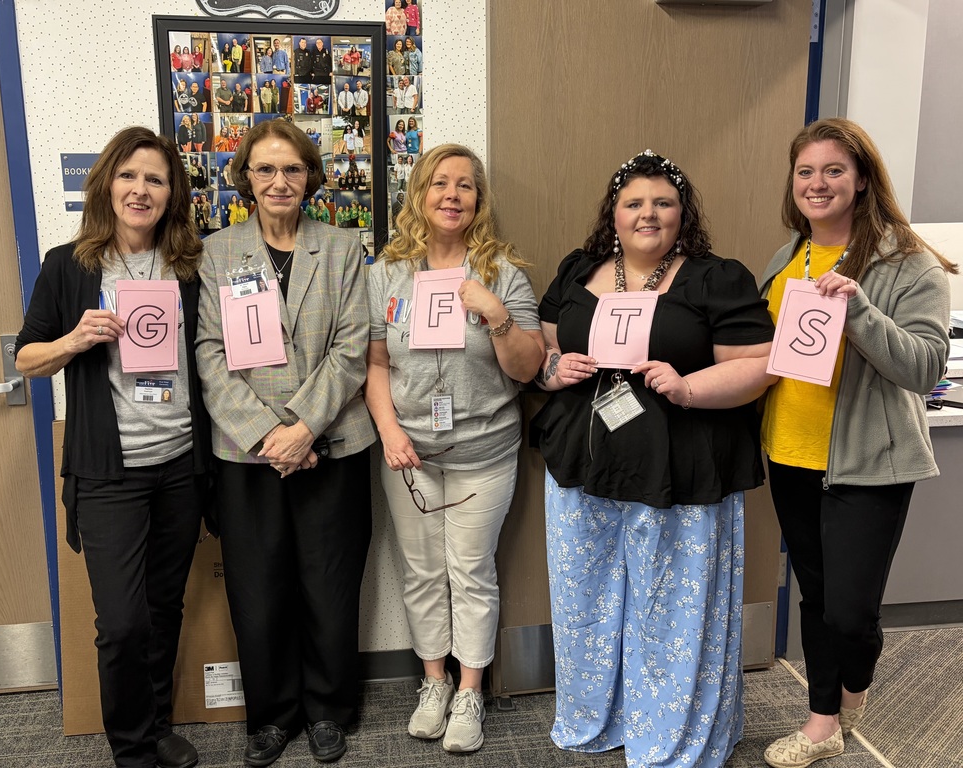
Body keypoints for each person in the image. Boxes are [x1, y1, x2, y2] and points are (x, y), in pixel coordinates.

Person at [532, 149, 776, 766]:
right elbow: (543, 353)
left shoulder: (715, 277)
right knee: (586, 599)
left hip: (683, 469)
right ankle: (599, 717)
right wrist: (556, 372)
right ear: (612, 215)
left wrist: (689, 385)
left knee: (672, 606)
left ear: (682, 213)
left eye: (663, 202)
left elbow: (759, 368)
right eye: (634, 203)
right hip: (583, 467)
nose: (649, 214)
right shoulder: (579, 271)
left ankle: (667, 734)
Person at [759, 119, 955, 767]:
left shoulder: (906, 261)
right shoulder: (786, 257)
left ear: (863, 178)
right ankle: (821, 723)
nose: (818, 184)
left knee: (850, 611)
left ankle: (854, 687)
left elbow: (925, 368)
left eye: (834, 170)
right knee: (816, 597)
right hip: (789, 453)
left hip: (869, 465)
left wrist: (860, 310)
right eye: (806, 172)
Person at [14, 126, 210, 768]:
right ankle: (131, 750)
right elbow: (27, 357)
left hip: (180, 463)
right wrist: (74, 340)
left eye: (155, 179)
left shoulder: (191, 266)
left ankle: (155, 726)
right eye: (129, 176)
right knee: (122, 622)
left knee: (163, 605)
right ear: (106, 184)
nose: (141, 189)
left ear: (170, 193)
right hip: (108, 472)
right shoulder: (67, 267)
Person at [196, 118, 374, 766]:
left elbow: (353, 348)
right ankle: (271, 716)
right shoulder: (218, 252)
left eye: (292, 169)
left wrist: (303, 427)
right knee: (257, 586)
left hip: (333, 444)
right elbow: (210, 355)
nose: (279, 181)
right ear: (246, 176)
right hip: (248, 454)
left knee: (330, 583)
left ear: (310, 178)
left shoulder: (344, 246)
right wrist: (271, 434)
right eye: (266, 169)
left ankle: (328, 709)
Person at [365, 143, 543, 753]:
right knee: (419, 572)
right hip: (407, 453)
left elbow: (526, 368)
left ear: (478, 200)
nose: (452, 195)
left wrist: (495, 315)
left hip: (484, 453)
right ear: (420, 193)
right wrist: (389, 430)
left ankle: (470, 690)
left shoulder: (502, 273)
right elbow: (376, 361)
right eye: (440, 183)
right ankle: (433, 681)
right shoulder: (388, 272)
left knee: (470, 571)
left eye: (465, 186)